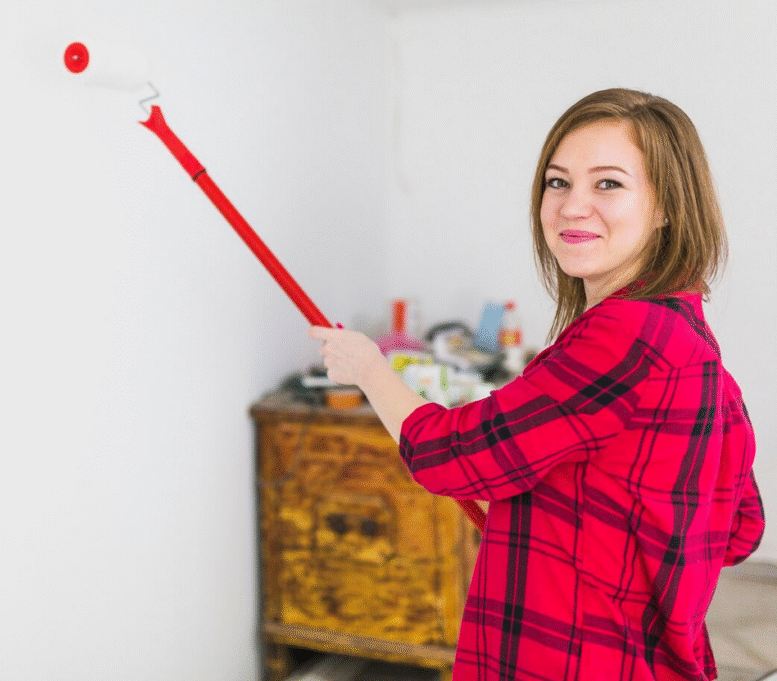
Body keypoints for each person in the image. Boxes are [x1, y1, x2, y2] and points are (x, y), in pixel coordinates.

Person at [309, 88, 764, 681]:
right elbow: (740, 528)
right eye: (557, 182)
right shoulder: (686, 330)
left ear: (666, 207)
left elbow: (449, 455)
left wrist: (370, 369)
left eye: (608, 184)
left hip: (573, 659)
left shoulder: (626, 335)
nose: (572, 206)